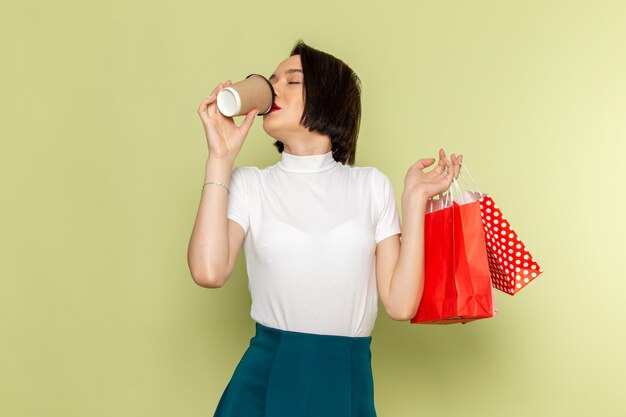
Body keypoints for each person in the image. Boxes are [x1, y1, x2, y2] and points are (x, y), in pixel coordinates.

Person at [188, 40, 462, 417]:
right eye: (271, 81)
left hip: (345, 376)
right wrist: (219, 159)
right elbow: (208, 271)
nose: (273, 89)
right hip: (268, 371)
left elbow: (400, 304)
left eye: (292, 81)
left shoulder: (370, 186)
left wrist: (414, 201)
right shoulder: (251, 184)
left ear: (328, 99)